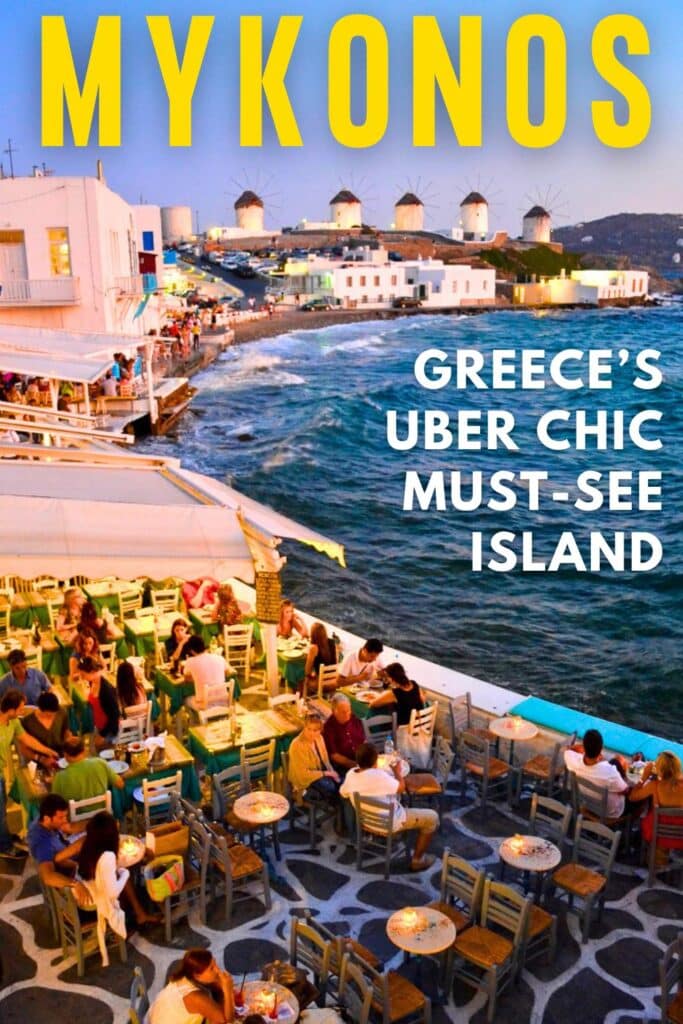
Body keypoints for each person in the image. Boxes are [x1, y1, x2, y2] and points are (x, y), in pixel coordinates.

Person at [340, 742, 438, 871]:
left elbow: (343, 793)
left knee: (394, 798)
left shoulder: (351, 774)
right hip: (391, 822)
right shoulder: (379, 776)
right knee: (432, 818)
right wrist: (397, 772)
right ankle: (418, 860)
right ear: (375, 761)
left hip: (365, 821)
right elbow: (401, 787)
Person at [76, 811, 158, 962]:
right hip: (95, 898)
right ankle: (128, 922)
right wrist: (125, 873)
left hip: (88, 885)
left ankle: (139, 913)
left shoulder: (89, 844)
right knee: (124, 879)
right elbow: (112, 893)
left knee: (122, 877)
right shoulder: (107, 856)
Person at [0, 689, 59, 859]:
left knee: (2, 808)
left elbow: (27, 739)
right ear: (10, 709)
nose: (22, 712)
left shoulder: (13, 723)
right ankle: (5, 847)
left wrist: (47, 751)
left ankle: (3, 837)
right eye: (20, 709)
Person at [148, 948, 235, 1024]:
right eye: (212, 968)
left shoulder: (184, 976)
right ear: (197, 975)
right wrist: (227, 990)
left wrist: (218, 985)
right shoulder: (194, 997)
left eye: (215, 963)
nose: (218, 970)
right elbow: (227, 1020)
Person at [564, 729, 629, 820]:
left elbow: (568, 749)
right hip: (610, 812)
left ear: (584, 746)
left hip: (586, 803)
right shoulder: (610, 772)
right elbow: (625, 791)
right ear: (601, 748)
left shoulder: (571, 759)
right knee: (638, 801)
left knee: (616, 761)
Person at [629, 751, 683, 857]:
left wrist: (643, 777)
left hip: (658, 834)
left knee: (643, 815)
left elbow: (632, 797)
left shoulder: (654, 785)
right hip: (680, 835)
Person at [28, 793, 84, 891]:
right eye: (61, 817)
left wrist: (95, 824)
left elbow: (69, 828)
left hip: (66, 848)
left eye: (65, 816)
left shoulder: (44, 821)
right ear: (47, 818)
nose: (65, 820)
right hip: (73, 866)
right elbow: (48, 877)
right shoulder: (43, 843)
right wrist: (76, 884)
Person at [52, 736, 124, 802]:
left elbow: (55, 803)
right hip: (102, 813)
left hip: (77, 815)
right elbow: (120, 784)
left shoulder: (60, 777)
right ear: (84, 751)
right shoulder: (100, 763)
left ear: (65, 755)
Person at [288, 713, 340, 802]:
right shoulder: (297, 745)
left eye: (315, 730)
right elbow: (302, 775)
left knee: (341, 783)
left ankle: (343, 810)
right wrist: (326, 773)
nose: (312, 733)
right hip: (305, 783)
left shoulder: (319, 738)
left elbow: (325, 760)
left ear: (320, 730)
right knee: (333, 790)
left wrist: (333, 773)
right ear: (304, 728)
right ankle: (342, 811)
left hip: (319, 774)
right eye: (309, 729)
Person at [78, 656, 120, 745]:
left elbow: (114, 715)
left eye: (83, 675)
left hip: (108, 731)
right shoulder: (92, 681)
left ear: (93, 672)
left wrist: (102, 735)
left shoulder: (106, 691)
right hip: (99, 726)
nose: (82, 678)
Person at [183, 635, 231, 711]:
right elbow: (228, 673)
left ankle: (195, 720)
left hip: (204, 704)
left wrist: (198, 677)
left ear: (191, 650)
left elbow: (186, 679)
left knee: (185, 699)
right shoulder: (219, 657)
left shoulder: (190, 661)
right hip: (224, 701)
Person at [322, 693, 365, 776]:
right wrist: (354, 765)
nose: (347, 715)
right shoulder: (329, 727)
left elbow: (363, 740)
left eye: (348, 710)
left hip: (361, 760)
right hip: (343, 767)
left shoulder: (354, 718)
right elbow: (334, 755)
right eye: (343, 712)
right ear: (334, 711)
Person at [22, 690, 72, 755]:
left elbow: (66, 732)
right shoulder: (27, 722)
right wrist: (41, 759)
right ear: (40, 709)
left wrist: (69, 743)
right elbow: (24, 748)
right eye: (48, 715)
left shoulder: (61, 712)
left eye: (54, 714)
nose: (52, 717)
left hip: (60, 755)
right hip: (39, 757)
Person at [303, 622, 337, 689]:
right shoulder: (332, 642)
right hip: (333, 680)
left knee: (301, 679)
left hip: (321, 682)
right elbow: (335, 661)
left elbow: (307, 671)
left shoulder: (314, 648)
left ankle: (301, 698)